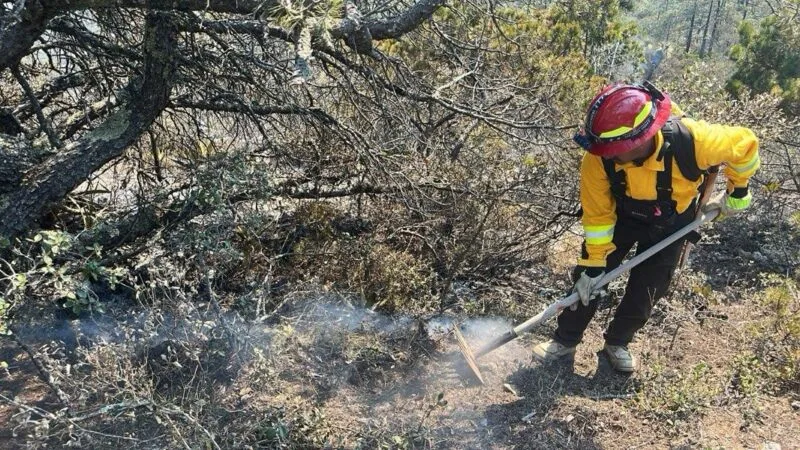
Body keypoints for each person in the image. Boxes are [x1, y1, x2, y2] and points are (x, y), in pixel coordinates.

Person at [533, 81, 760, 372]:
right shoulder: (598, 159)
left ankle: (618, 343)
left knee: (648, 287)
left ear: (640, 139)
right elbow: (597, 214)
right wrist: (593, 264)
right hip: (622, 217)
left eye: (615, 150)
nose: (607, 155)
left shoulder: (694, 141)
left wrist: (737, 191)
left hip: (672, 223)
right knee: (587, 281)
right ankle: (565, 340)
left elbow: (746, 144)